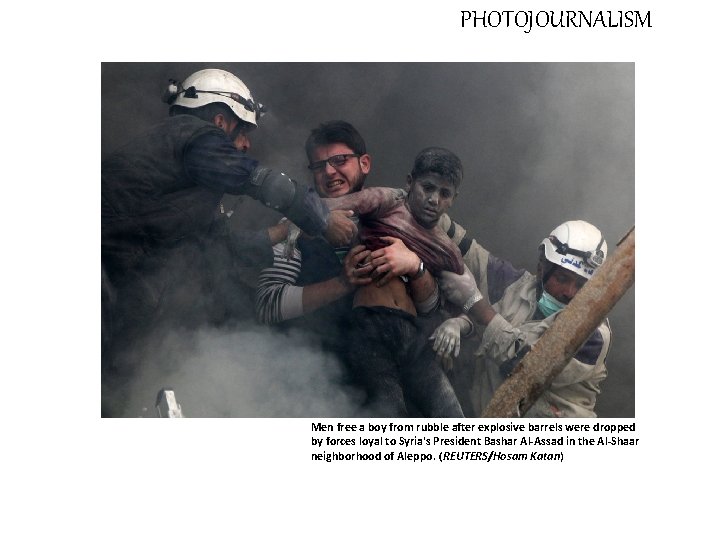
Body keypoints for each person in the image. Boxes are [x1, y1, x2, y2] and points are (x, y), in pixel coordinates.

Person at [101, 70, 356, 411]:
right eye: (244, 131)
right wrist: (323, 220)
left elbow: (219, 249)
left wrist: (279, 233)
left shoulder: (184, 178)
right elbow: (263, 182)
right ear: (221, 121)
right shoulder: (194, 134)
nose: (247, 144)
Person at [325, 147, 466, 417]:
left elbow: (464, 305)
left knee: (453, 418)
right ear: (410, 182)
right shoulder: (387, 202)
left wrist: (457, 324)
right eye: (428, 187)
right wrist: (293, 228)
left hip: (414, 337)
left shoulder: (447, 250)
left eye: (444, 193)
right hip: (371, 326)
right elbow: (326, 209)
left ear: (453, 199)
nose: (434, 199)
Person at [436, 219, 612, 418]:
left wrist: (478, 306)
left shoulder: (594, 333)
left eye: (581, 286)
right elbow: (465, 247)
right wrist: (401, 201)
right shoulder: (515, 286)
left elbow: (529, 369)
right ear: (542, 268)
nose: (570, 293)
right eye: (562, 279)